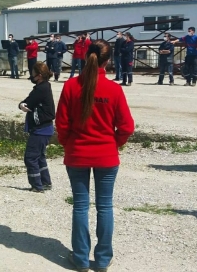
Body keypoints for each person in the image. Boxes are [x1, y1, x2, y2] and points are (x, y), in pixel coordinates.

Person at [56, 39, 135, 272]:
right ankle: (102, 260)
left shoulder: (71, 86)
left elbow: (62, 124)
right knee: (105, 206)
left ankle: (80, 259)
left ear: (84, 57)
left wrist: (68, 144)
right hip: (106, 156)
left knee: (80, 207)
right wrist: (114, 143)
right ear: (108, 60)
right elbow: (127, 127)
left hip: (77, 154)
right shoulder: (114, 89)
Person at [18, 62, 56, 192]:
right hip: (45, 129)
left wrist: (22, 105)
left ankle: (37, 185)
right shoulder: (45, 86)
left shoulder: (41, 89)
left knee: (30, 157)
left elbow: (28, 101)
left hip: (40, 130)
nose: (31, 76)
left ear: (39, 76)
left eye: (33, 74)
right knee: (39, 157)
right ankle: (45, 182)